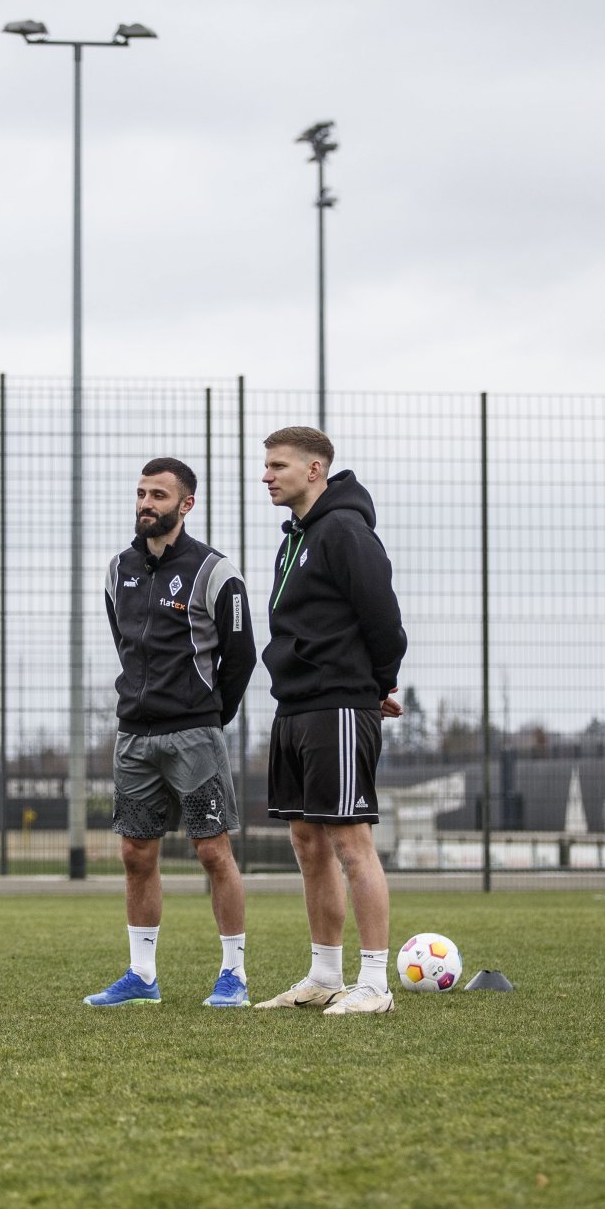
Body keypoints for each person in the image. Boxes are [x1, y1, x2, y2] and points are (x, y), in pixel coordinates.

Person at [83, 458, 257, 1009]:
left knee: (213, 852)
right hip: (133, 736)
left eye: (158, 495)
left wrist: (210, 714)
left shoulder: (215, 571)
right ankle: (142, 976)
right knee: (136, 854)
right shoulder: (118, 569)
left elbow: (241, 657)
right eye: (141, 493)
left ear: (186, 504)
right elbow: (124, 642)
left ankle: (234, 975)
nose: (145, 504)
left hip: (194, 735)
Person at [252, 427, 406, 1017]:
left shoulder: (344, 530)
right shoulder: (295, 538)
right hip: (294, 706)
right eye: (266, 465)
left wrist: (373, 686)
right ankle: (323, 975)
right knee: (307, 841)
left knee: (349, 840)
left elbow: (384, 619)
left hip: (337, 703)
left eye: (278, 465)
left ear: (314, 470)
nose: (267, 475)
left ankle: (374, 984)